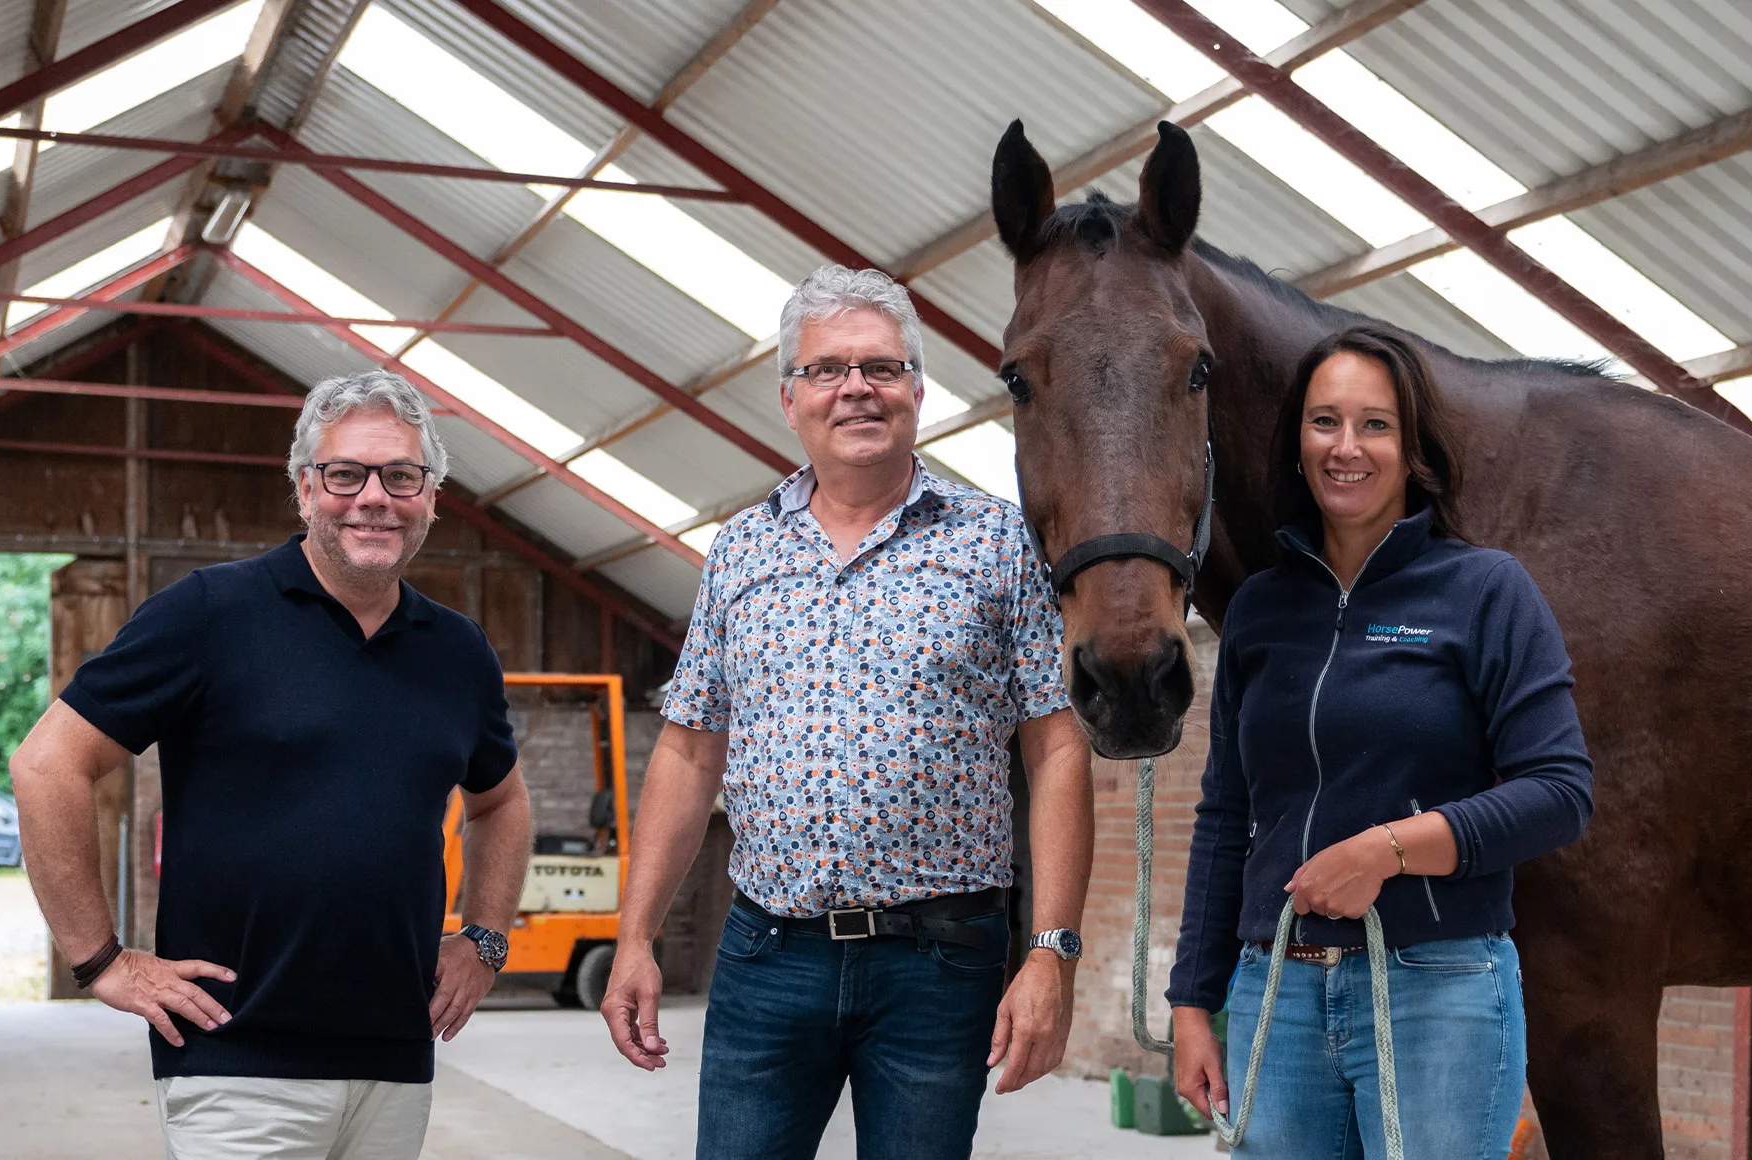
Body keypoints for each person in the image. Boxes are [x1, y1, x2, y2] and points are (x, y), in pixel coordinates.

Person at [596, 265, 1094, 1159]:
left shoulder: (995, 540)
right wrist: (635, 936)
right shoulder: (741, 552)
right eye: (828, 369)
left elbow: (1055, 749)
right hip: (767, 956)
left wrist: (1052, 952)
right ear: (789, 398)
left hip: (939, 963)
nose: (856, 387)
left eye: (880, 367)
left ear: (917, 390)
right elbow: (687, 751)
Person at [8, 371, 530, 1160]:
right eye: (345, 474)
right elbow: (47, 766)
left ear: (432, 495)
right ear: (304, 489)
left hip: (395, 1058)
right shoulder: (211, 613)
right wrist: (101, 961)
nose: (374, 498)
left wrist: (485, 938)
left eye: (401, 476)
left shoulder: (458, 651)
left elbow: (501, 803)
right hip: (238, 1058)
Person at [1166, 324, 1596, 1158]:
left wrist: (1389, 851)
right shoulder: (1259, 609)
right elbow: (1226, 815)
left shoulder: (1485, 591)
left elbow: (1560, 791)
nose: (1346, 448)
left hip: (1439, 993)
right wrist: (1193, 1003)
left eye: (1375, 424)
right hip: (1277, 989)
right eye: (1325, 422)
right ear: (1296, 441)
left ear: (1413, 446)